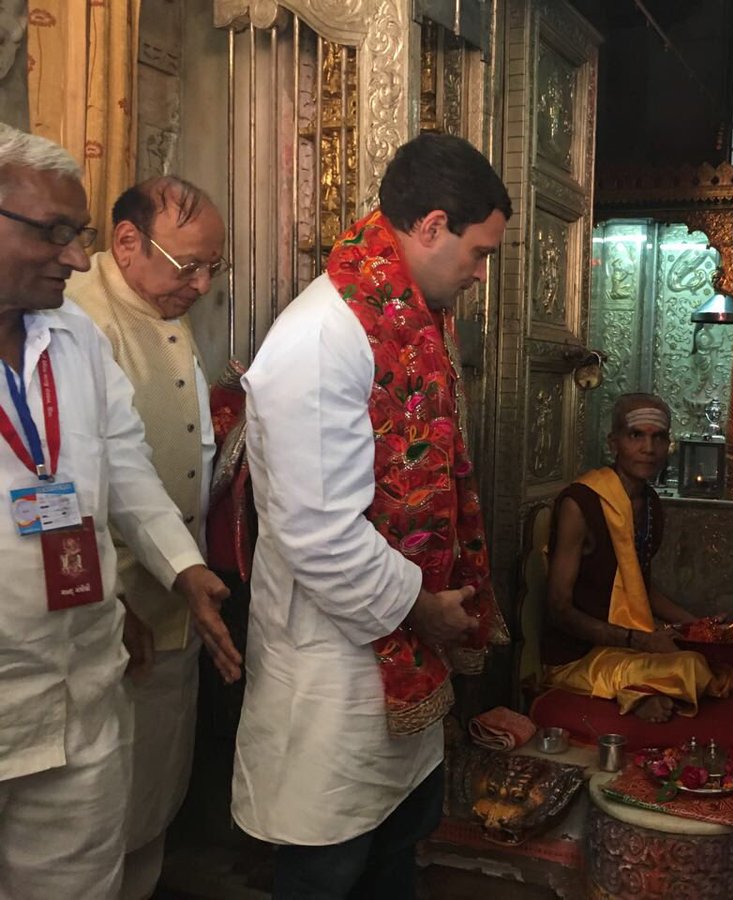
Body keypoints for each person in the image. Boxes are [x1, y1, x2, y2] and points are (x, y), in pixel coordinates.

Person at [231, 132, 510, 899]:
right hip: (334, 670)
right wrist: (423, 606)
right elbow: (317, 534)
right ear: (432, 226)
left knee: (392, 861)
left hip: (394, 668)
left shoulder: (408, 319)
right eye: (479, 253)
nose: (480, 274)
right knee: (330, 872)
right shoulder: (324, 337)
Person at [0, 126, 240, 900]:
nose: (77, 258)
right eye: (55, 233)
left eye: (80, 234)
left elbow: (125, 463)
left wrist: (184, 568)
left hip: (82, 685)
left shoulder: (71, 335)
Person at [67, 175, 227, 900]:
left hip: (170, 602)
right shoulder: (77, 319)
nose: (201, 285)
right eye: (187, 265)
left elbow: (133, 465)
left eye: (212, 267)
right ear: (127, 241)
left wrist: (189, 571)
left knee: (150, 807)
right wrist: (111, 601)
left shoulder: (160, 301)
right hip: (109, 617)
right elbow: (81, 484)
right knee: (89, 832)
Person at [543, 393, 733, 723]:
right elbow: (558, 608)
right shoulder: (581, 503)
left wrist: (699, 628)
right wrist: (638, 640)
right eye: (636, 435)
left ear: (668, 445)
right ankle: (637, 693)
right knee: (690, 668)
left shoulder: (649, 504)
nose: (649, 448)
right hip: (579, 656)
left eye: (658, 437)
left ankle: (644, 690)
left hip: (627, 646)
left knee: (728, 661)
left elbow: (641, 589)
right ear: (614, 443)